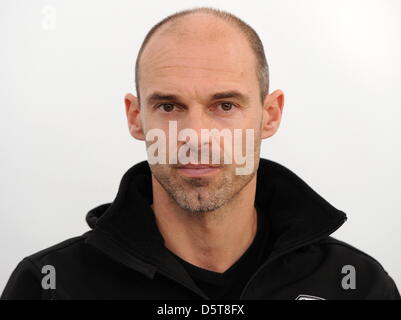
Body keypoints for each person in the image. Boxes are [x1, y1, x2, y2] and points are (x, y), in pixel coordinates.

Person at [2, 7, 399, 300]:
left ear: (270, 116)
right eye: (169, 106)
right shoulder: (49, 286)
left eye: (224, 106)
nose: (194, 136)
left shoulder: (355, 285)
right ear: (136, 118)